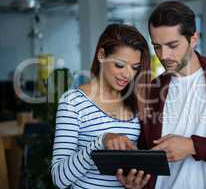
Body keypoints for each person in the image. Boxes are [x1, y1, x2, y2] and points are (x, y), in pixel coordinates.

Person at [117, 1, 206, 189]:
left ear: (194, 39)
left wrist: (193, 146)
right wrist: (136, 181)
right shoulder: (150, 90)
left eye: (172, 45)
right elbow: (146, 153)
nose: (164, 55)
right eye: (157, 46)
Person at [51, 24, 151, 188]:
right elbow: (59, 178)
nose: (127, 74)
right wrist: (101, 141)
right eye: (119, 65)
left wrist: (134, 182)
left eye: (135, 68)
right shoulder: (73, 102)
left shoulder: (135, 101)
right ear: (102, 55)